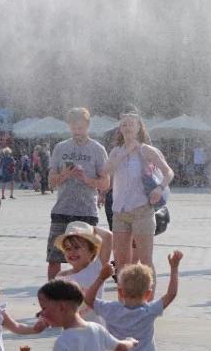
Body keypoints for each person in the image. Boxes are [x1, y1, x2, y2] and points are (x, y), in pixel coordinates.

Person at [102, 108, 173, 273]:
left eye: (131, 124)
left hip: (142, 210)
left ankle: (149, 298)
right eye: (124, 124)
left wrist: (159, 188)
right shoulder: (116, 151)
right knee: (120, 262)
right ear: (120, 128)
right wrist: (126, 151)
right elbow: (106, 171)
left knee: (145, 260)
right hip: (119, 211)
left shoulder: (146, 150)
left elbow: (168, 172)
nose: (127, 127)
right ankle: (124, 297)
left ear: (139, 127)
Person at [46, 108, 110, 280]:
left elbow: (106, 183)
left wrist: (87, 179)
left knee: (88, 259)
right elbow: (51, 181)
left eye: (80, 126)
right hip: (62, 210)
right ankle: (53, 295)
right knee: (54, 258)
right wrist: (64, 175)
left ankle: (88, 294)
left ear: (87, 125)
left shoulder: (97, 149)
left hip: (86, 211)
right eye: (73, 126)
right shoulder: (61, 148)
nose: (77, 129)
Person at [55, 221, 114, 322]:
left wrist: (91, 228)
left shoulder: (97, 268)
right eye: (68, 249)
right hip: (72, 329)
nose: (72, 252)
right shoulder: (61, 277)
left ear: (92, 251)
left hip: (95, 327)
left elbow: (108, 236)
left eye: (77, 247)